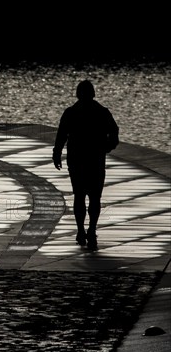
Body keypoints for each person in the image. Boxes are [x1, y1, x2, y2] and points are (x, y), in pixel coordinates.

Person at [53, 80, 119, 250]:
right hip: (95, 159)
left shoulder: (70, 112)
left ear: (78, 94)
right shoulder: (102, 112)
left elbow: (61, 135)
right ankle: (91, 230)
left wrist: (57, 153)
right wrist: (107, 147)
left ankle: (81, 230)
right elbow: (114, 132)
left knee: (79, 195)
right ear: (93, 93)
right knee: (95, 197)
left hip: (76, 159)